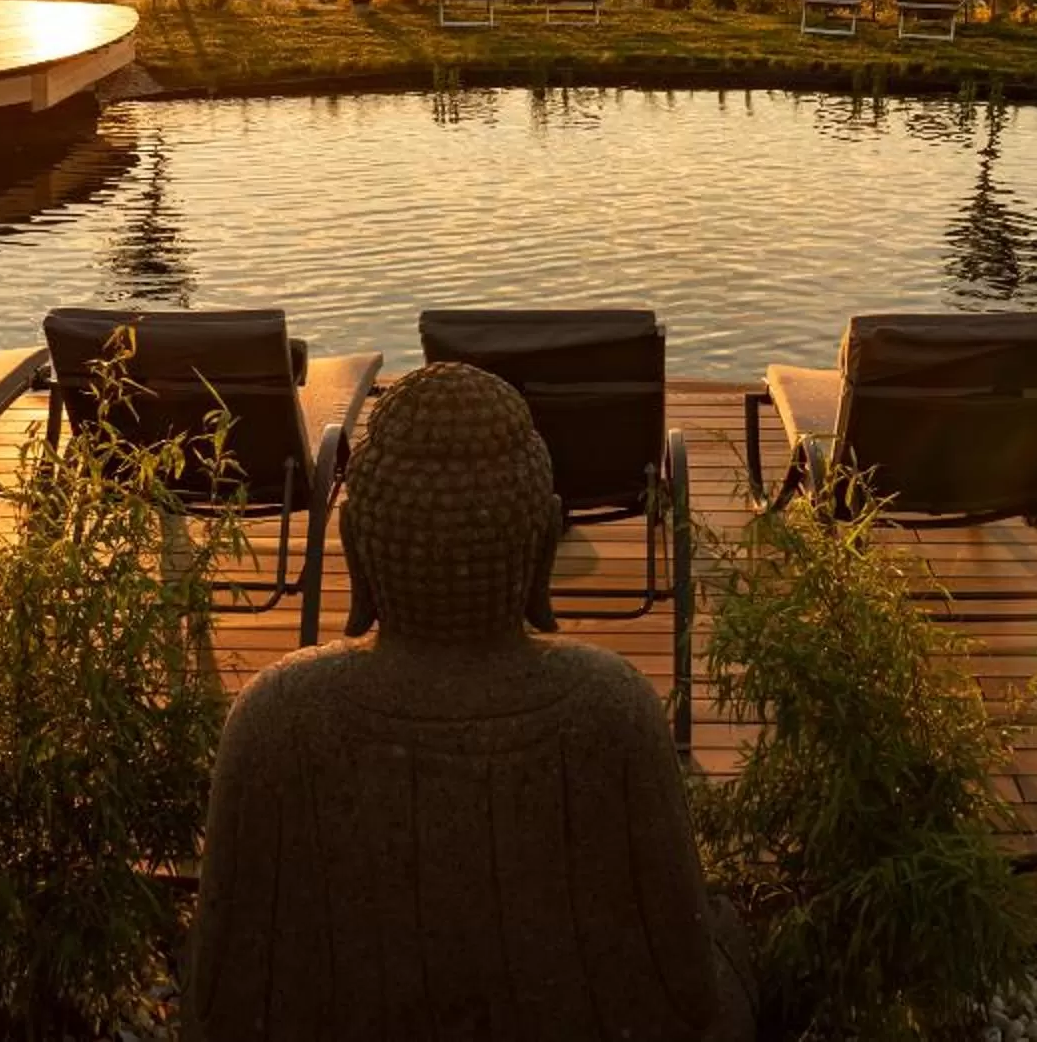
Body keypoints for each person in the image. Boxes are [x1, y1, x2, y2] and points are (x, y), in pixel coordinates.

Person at [182, 362, 750, 1042]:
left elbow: (218, 1005)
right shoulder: (609, 705)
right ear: (543, 544)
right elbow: (687, 996)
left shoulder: (277, 715)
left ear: (356, 550)